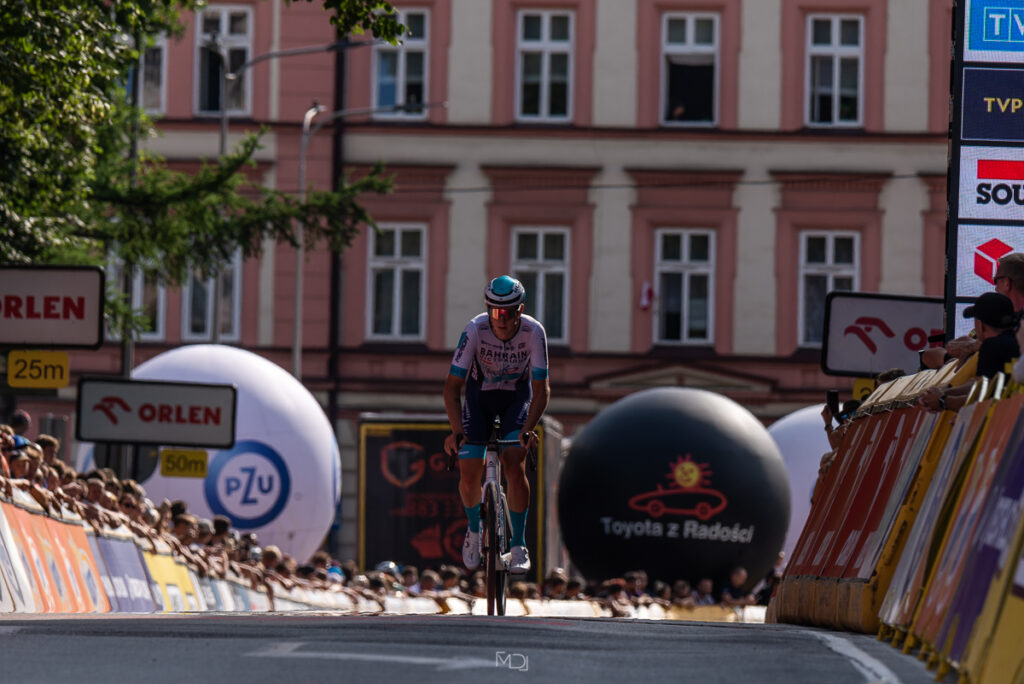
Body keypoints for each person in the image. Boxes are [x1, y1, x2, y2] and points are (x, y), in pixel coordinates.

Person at [443, 275, 550, 575]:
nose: (501, 319)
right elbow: (451, 388)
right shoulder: (475, 329)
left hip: (516, 400)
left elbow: (541, 390)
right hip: (480, 400)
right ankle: (473, 530)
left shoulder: (533, 331)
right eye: (494, 311)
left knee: (514, 462)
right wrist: (456, 431)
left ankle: (518, 544)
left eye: (508, 312)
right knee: (468, 469)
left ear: (520, 310)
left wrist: (529, 429)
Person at [919, 292, 1020, 412]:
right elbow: (979, 385)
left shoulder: (991, 345)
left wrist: (943, 401)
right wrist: (944, 393)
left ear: (981, 325)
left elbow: (981, 398)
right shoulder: (1017, 341)